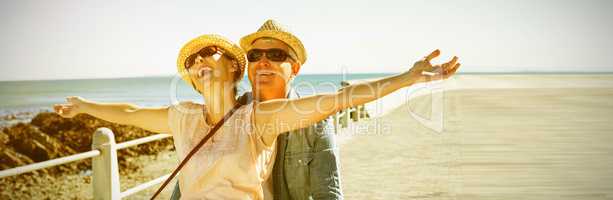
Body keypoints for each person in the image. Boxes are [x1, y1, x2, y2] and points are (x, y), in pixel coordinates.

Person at [55, 31, 460, 199]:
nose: (198, 60)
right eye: (191, 61)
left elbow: (339, 100)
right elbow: (129, 112)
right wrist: (84, 107)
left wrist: (407, 78)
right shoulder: (183, 118)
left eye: (206, 53)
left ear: (234, 68)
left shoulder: (260, 118)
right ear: (193, 80)